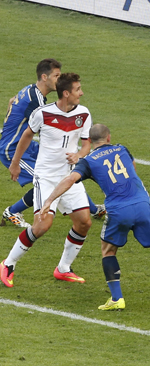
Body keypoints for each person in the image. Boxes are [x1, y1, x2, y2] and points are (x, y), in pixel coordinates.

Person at [38, 124, 150, 310]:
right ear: (108, 138)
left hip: (118, 210)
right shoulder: (122, 149)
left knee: (108, 251)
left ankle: (117, 299)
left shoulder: (88, 161)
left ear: (89, 141)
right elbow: (132, 169)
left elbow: (69, 179)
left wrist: (49, 200)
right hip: (142, 205)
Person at [1, 73, 94, 287]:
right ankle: (8, 263)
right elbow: (25, 136)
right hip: (46, 177)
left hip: (69, 177)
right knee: (42, 226)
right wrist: (15, 163)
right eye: (78, 89)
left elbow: (87, 143)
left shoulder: (83, 113)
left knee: (84, 222)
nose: (82, 93)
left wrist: (79, 155)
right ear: (66, 93)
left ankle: (63, 269)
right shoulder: (42, 113)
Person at [1, 59, 104, 229]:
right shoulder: (39, 104)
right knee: (47, 179)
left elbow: (12, 100)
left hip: (25, 145)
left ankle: (93, 210)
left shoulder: (30, 90)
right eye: (56, 76)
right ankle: (12, 211)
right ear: (44, 77)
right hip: (12, 149)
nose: (59, 79)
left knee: (64, 173)